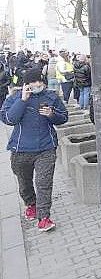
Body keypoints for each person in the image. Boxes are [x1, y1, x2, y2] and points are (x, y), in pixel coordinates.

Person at [1, 69, 67, 232]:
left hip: (46, 148)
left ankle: (44, 217)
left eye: (40, 81)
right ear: (26, 84)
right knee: (24, 183)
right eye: (34, 82)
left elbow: (63, 117)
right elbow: (9, 119)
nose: (38, 85)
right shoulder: (15, 98)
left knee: (43, 183)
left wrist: (52, 115)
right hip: (20, 150)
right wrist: (23, 101)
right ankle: (31, 204)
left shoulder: (51, 96)